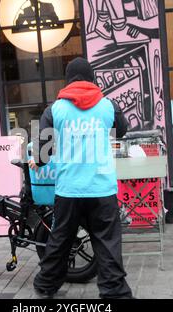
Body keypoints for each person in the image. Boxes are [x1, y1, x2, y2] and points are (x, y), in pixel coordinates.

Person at [29, 57, 133, 299]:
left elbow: (43, 149)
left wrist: (39, 160)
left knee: (60, 241)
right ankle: (115, 293)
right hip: (102, 190)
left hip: (69, 191)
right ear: (92, 79)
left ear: (67, 80)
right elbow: (123, 129)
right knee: (107, 243)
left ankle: (45, 287)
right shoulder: (109, 106)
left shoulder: (54, 110)